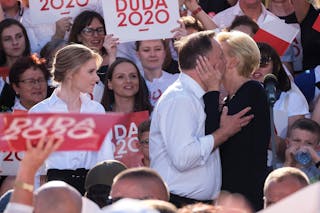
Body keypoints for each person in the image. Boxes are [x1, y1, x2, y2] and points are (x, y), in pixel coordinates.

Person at [150, 30, 253, 208]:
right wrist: (223, 133)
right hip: (178, 202)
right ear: (204, 63)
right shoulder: (180, 99)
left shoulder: (195, 96)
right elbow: (183, 158)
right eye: (221, 56)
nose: (225, 62)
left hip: (196, 203)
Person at [29, 44, 114, 195]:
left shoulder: (96, 110)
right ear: (70, 73)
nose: (96, 78)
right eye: (90, 72)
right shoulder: (39, 113)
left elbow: (105, 161)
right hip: (52, 197)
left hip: (90, 195)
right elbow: (33, 171)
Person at [206, 31, 270, 211]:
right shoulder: (232, 98)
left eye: (219, 55)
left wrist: (211, 88)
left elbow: (210, 131)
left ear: (233, 61)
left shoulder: (252, 90)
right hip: (230, 190)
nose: (213, 61)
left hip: (244, 194)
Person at [68, 10, 118, 102]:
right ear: (79, 36)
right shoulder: (71, 65)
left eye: (100, 30)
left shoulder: (114, 59)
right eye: (89, 31)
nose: (96, 35)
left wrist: (111, 55)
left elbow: (117, 89)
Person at [136, 39, 179, 106]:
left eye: (158, 49)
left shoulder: (178, 81)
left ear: (164, 53)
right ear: (138, 54)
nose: (152, 54)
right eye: (146, 50)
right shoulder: (132, 84)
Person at [284, 118, 320, 183]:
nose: (302, 146)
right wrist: (288, 162)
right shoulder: (282, 166)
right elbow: (280, 188)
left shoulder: (317, 161)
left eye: (309, 143)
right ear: (287, 143)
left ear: (317, 148)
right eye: (297, 141)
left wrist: (316, 158)